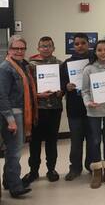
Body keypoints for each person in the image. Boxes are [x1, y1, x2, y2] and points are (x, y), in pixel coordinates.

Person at [22, 36, 63, 185]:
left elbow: (63, 86)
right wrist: (38, 95)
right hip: (37, 110)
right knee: (35, 142)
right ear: (38, 48)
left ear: (53, 48)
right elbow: (26, 88)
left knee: (52, 141)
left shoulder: (60, 64)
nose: (46, 49)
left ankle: (51, 169)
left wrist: (61, 92)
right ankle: (33, 171)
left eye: (49, 46)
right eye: (43, 46)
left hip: (55, 109)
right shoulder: (30, 66)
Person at [0, 35, 36, 198]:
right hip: (13, 114)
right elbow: (2, 96)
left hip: (20, 112)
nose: (20, 51)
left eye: (22, 48)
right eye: (16, 48)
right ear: (9, 49)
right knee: (14, 151)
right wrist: (10, 120)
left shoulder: (22, 66)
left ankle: (8, 180)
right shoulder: (6, 68)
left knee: (12, 151)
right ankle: (15, 187)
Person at [82, 40, 105, 189]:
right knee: (95, 141)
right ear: (95, 52)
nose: (103, 52)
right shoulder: (89, 69)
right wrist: (88, 102)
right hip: (94, 110)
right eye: (99, 50)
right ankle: (97, 172)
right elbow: (85, 91)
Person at [60, 33, 92, 181]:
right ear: (73, 46)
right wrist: (66, 86)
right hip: (74, 109)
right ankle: (75, 168)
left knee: (93, 140)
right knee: (76, 141)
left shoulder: (94, 61)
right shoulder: (66, 64)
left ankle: (92, 166)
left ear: (88, 44)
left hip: (93, 108)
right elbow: (60, 87)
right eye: (77, 43)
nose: (80, 46)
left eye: (83, 43)